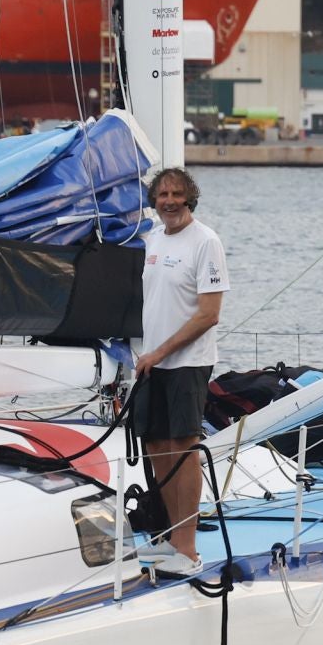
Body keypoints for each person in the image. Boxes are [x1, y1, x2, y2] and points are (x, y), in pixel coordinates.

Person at [130, 167, 228, 575]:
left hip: (186, 362)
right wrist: (145, 354)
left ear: (190, 199)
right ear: (154, 200)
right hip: (152, 361)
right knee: (156, 446)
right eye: (162, 194)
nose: (169, 200)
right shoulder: (153, 239)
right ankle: (171, 538)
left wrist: (162, 352)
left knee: (184, 449)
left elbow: (209, 315)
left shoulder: (205, 241)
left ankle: (187, 548)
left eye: (177, 194)